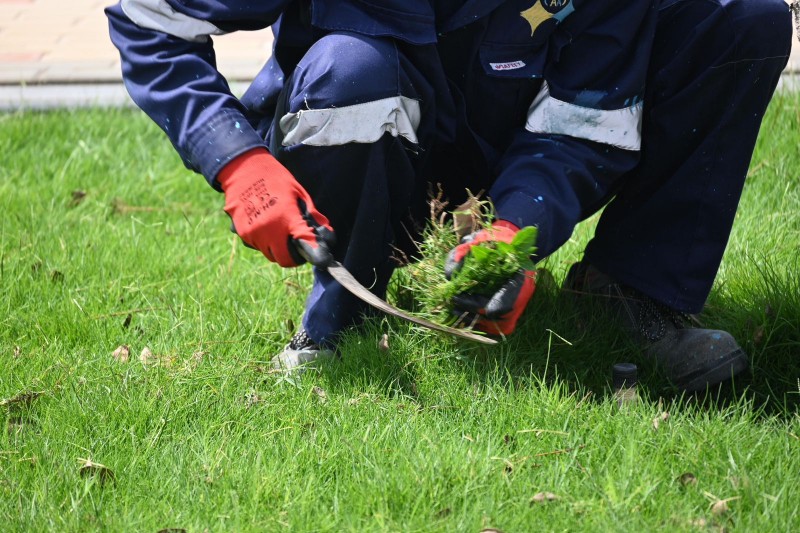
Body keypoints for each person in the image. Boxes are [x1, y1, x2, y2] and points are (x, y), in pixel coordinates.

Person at [107, 0, 793, 391]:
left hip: (511, 146)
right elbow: (149, 19)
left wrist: (515, 228)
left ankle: (629, 292)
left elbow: (582, 119)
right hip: (371, 146)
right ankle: (348, 307)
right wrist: (236, 160)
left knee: (741, 16)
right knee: (348, 70)